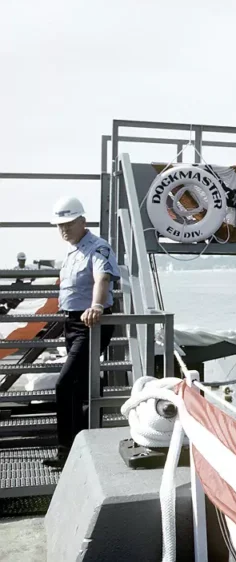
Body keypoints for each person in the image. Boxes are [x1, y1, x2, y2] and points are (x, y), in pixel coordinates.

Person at [44, 196, 120, 469]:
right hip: (72, 323)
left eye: (68, 223)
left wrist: (96, 305)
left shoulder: (98, 248)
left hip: (91, 323)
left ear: (82, 221)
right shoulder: (73, 251)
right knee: (78, 387)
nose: (63, 229)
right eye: (59, 225)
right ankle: (82, 447)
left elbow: (103, 278)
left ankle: (66, 451)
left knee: (64, 384)